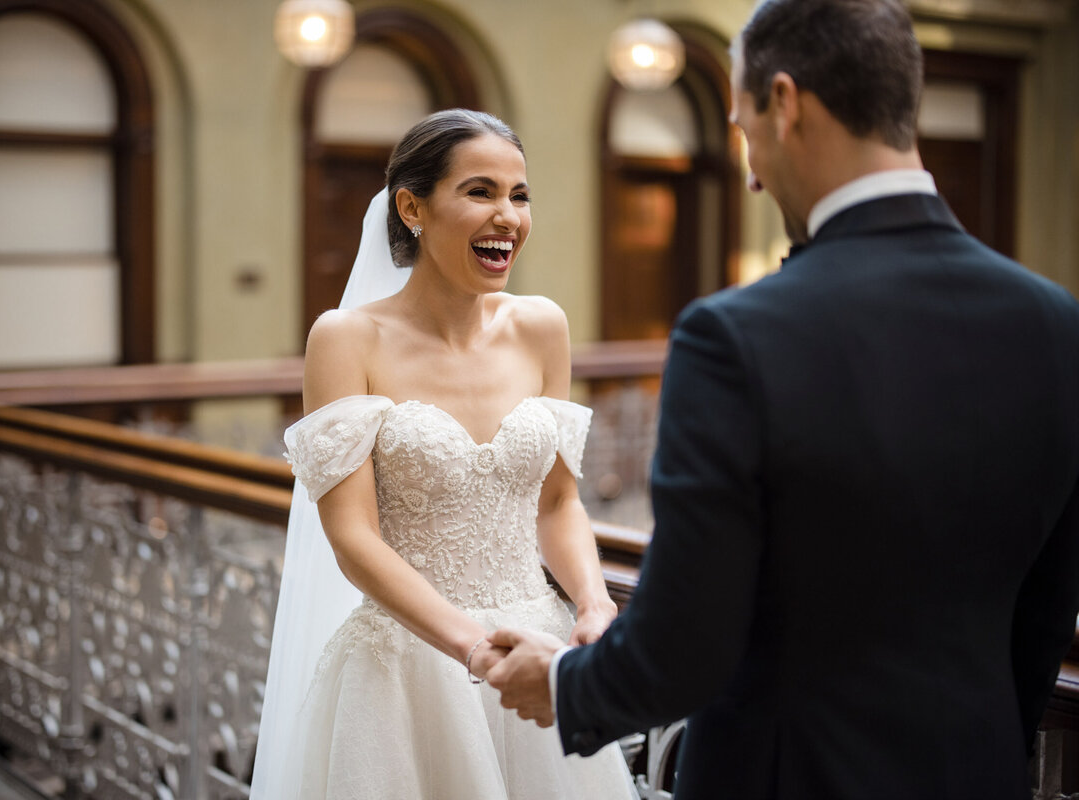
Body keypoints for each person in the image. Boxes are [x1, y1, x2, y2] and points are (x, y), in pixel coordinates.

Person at [487, 1, 1079, 798]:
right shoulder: (1055, 324)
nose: (754, 171)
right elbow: (1045, 616)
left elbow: (685, 645)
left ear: (787, 103)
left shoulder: (734, 338)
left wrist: (562, 683)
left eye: (744, 129)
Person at [248, 109, 637, 799]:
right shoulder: (346, 339)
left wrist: (593, 602)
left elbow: (557, 503)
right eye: (480, 192)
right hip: (408, 668)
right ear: (412, 206)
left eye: (519, 196)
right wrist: (472, 648)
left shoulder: (543, 326)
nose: (507, 217)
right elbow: (351, 536)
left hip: (538, 650)